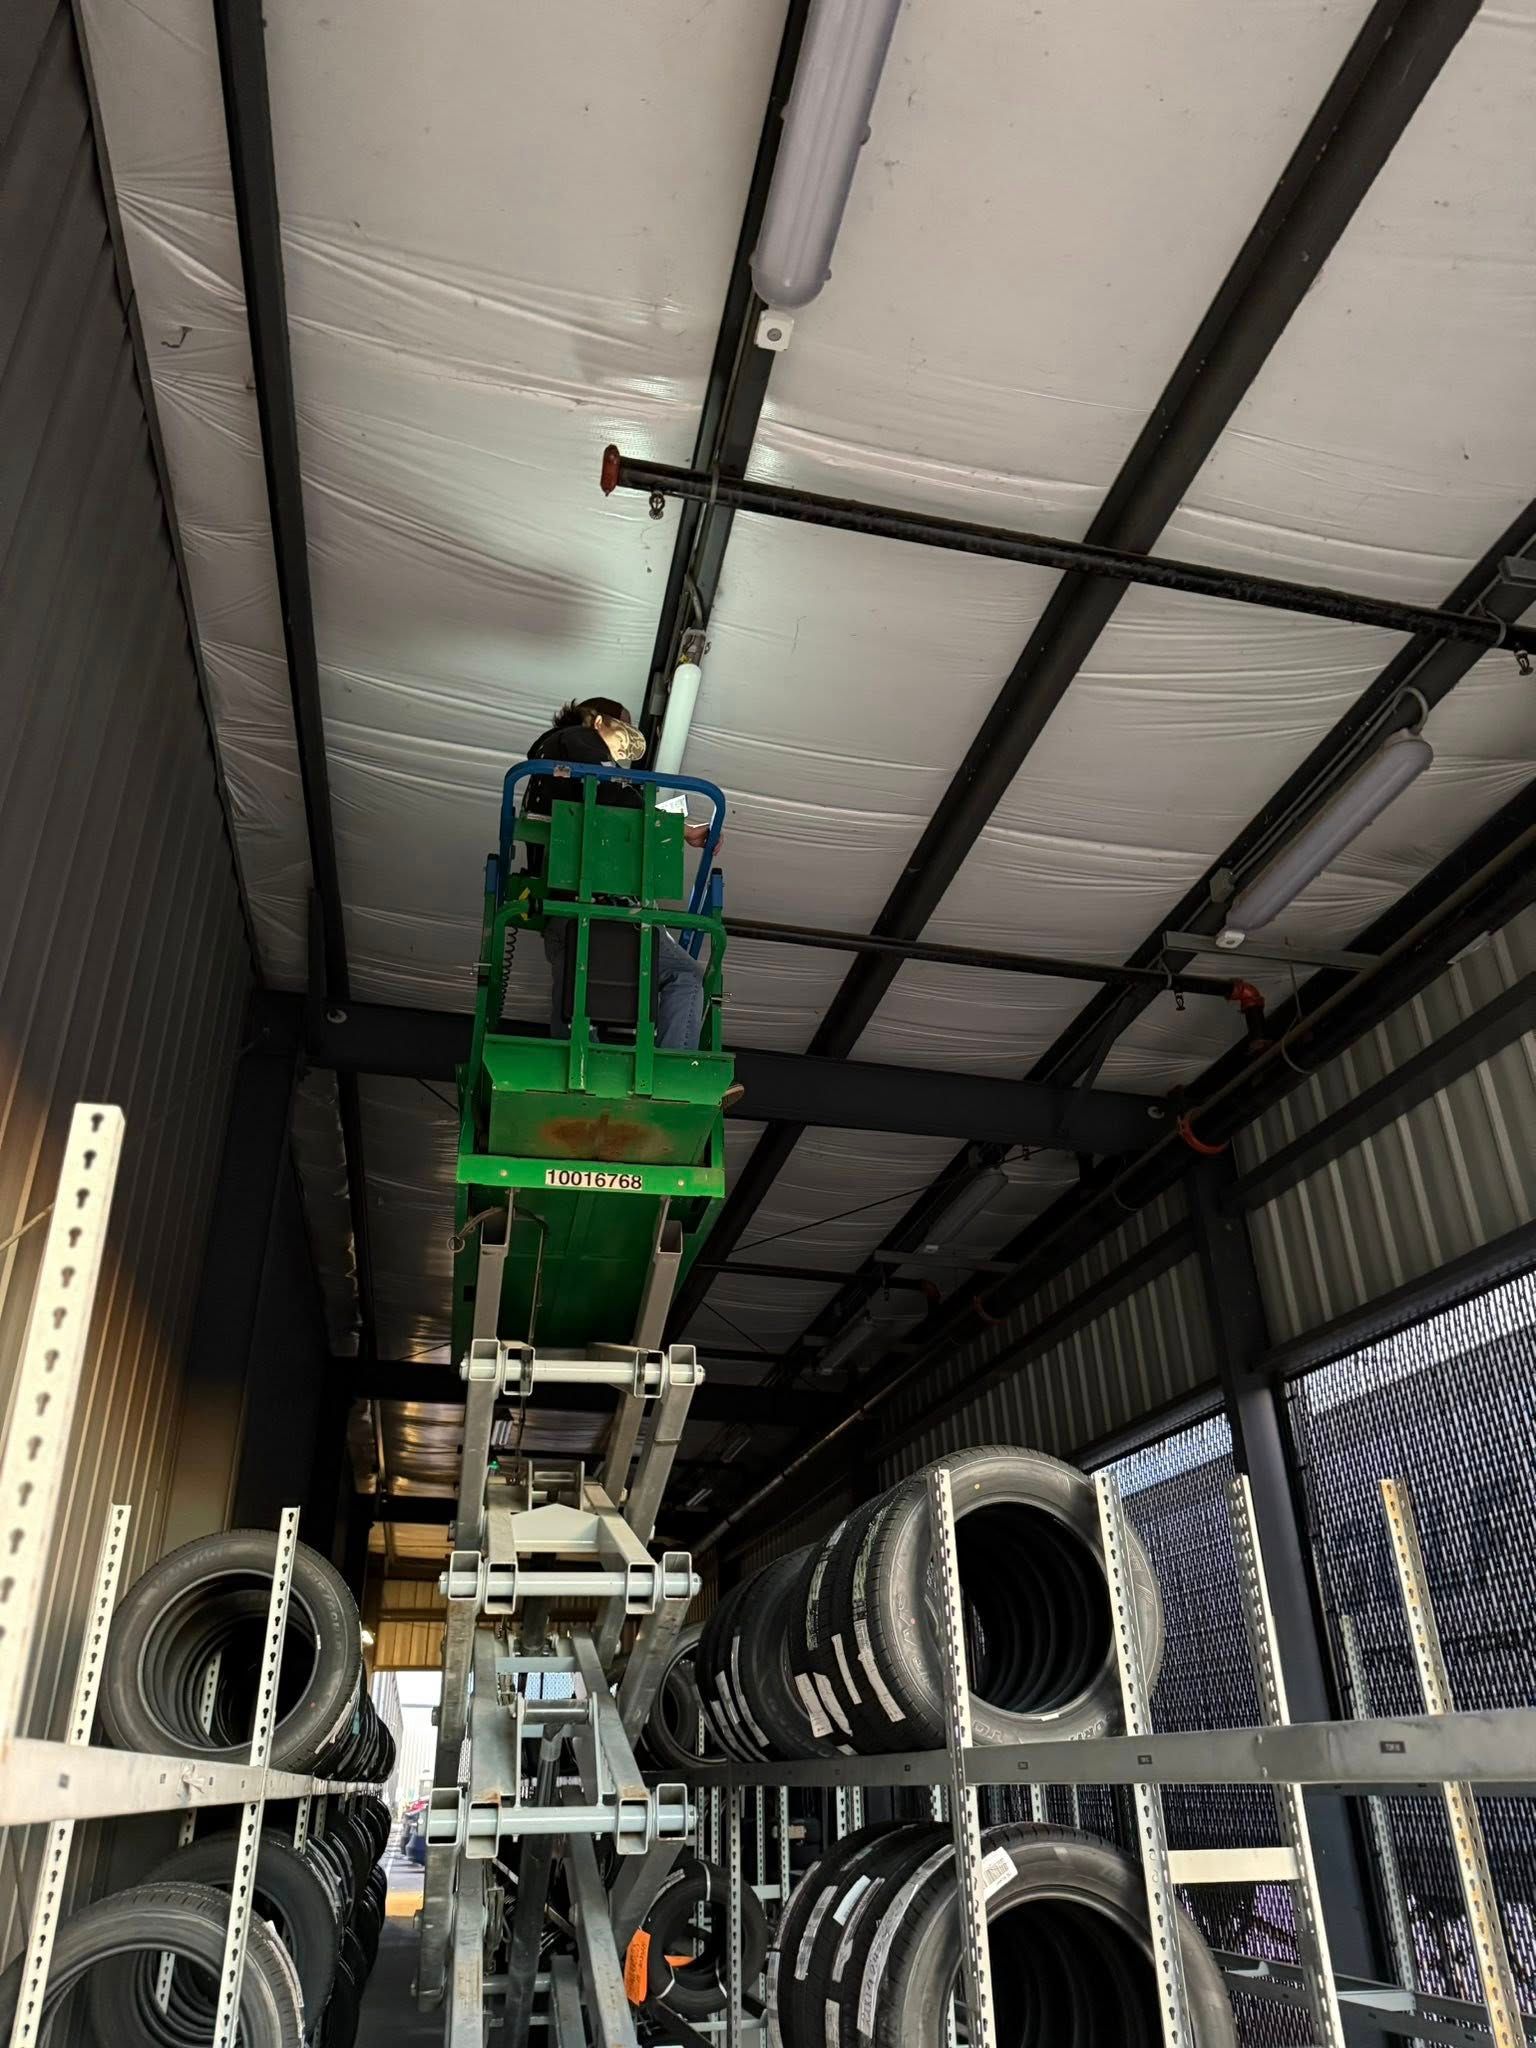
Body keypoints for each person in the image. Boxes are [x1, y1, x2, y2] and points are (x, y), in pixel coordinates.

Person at [523, 697, 709, 1051]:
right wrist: (678, 827)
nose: (622, 738)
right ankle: (674, 1067)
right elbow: (611, 794)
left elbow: (605, 801)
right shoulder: (574, 738)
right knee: (684, 975)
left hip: (566, 915)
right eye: (620, 726)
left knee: (577, 986)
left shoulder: (547, 759)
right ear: (597, 721)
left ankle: (576, 1057)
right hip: (606, 913)